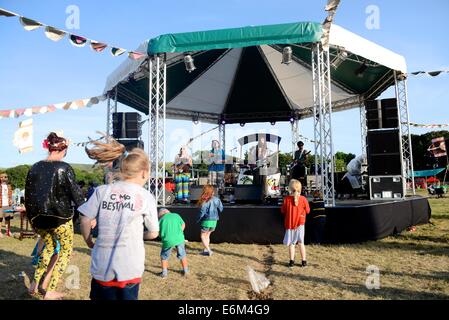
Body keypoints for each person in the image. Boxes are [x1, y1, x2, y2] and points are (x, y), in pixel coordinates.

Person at [78, 148, 159, 300]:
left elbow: (84, 218)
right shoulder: (146, 196)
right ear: (143, 172)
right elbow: (154, 232)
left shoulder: (102, 191)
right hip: (130, 267)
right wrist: (139, 236)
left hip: (102, 267)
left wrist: (88, 240)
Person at [25, 132, 85, 299]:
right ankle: (49, 289)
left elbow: (28, 196)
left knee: (49, 247)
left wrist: (32, 220)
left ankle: (34, 284)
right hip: (61, 218)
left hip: (38, 218)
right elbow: (77, 195)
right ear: (63, 150)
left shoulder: (34, 167)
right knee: (65, 251)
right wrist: (89, 215)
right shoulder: (64, 167)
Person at [281, 179, 310, 268]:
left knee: (291, 244)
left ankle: (291, 262)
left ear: (290, 189)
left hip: (290, 225)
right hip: (300, 224)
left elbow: (282, 211)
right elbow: (308, 211)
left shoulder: (286, 199)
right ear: (300, 188)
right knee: (301, 243)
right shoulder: (303, 199)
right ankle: (304, 261)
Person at [158, 208, 188, 278]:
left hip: (168, 240)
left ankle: (164, 273)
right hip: (179, 238)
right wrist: (180, 232)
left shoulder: (161, 219)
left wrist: (162, 237)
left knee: (164, 256)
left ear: (160, 214)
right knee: (182, 254)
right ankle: (186, 271)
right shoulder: (176, 215)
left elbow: (158, 232)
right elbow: (183, 224)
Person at [197, 185, 223, 256]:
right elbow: (221, 209)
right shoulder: (217, 199)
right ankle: (206, 250)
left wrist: (198, 219)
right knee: (207, 235)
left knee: (203, 235)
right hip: (214, 220)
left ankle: (208, 250)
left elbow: (202, 212)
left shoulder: (205, 200)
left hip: (206, 220)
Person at [0, 173, 13, 238]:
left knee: (8, 219)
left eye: (5, 177)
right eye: (2, 177)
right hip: (1, 205)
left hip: (8, 204)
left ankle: (8, 231)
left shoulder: (9, 186)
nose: (4, 178)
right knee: (0, 219)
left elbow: (10, 194)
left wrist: (11, 199)